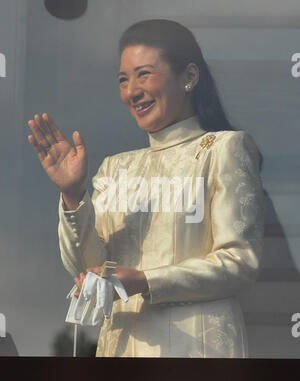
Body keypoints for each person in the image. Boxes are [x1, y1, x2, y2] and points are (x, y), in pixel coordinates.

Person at [28, 19, 265, 357]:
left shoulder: (222, 149)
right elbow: (89, 269)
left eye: (144, 74)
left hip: (197, 353)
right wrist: (72, 194)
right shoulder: (115, 167)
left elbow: (240, 261)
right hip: (121, 351)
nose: (131, 91)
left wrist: (144, 280)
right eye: (123, 79)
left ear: (189, 77)